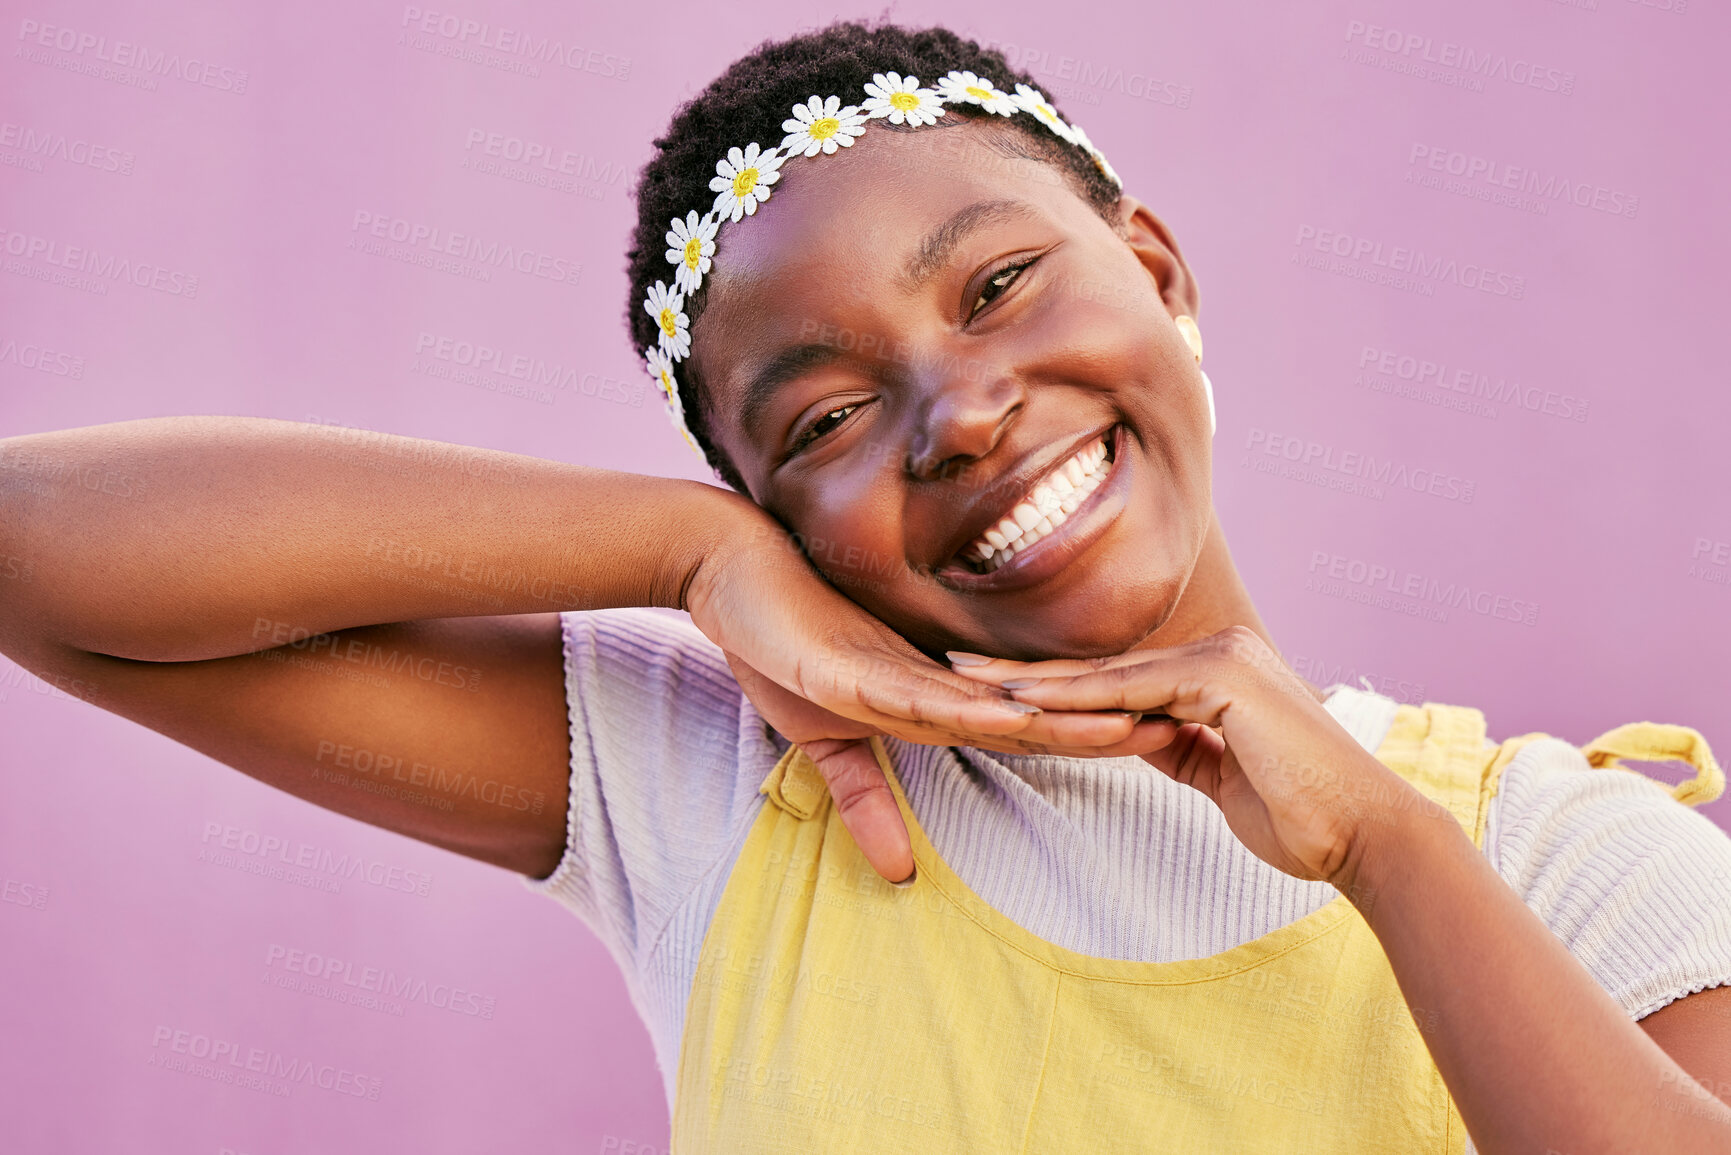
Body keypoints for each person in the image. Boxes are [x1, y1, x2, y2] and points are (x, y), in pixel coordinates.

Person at [3, 19, 1730, 1154]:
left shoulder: (1564, 859)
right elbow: (36, 544)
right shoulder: (721, 801)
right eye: (824, 420)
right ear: (784, 519)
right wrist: (682, 553)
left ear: (1153, 270)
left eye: (994, 288)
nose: (961, 413)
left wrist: (1388, 851)